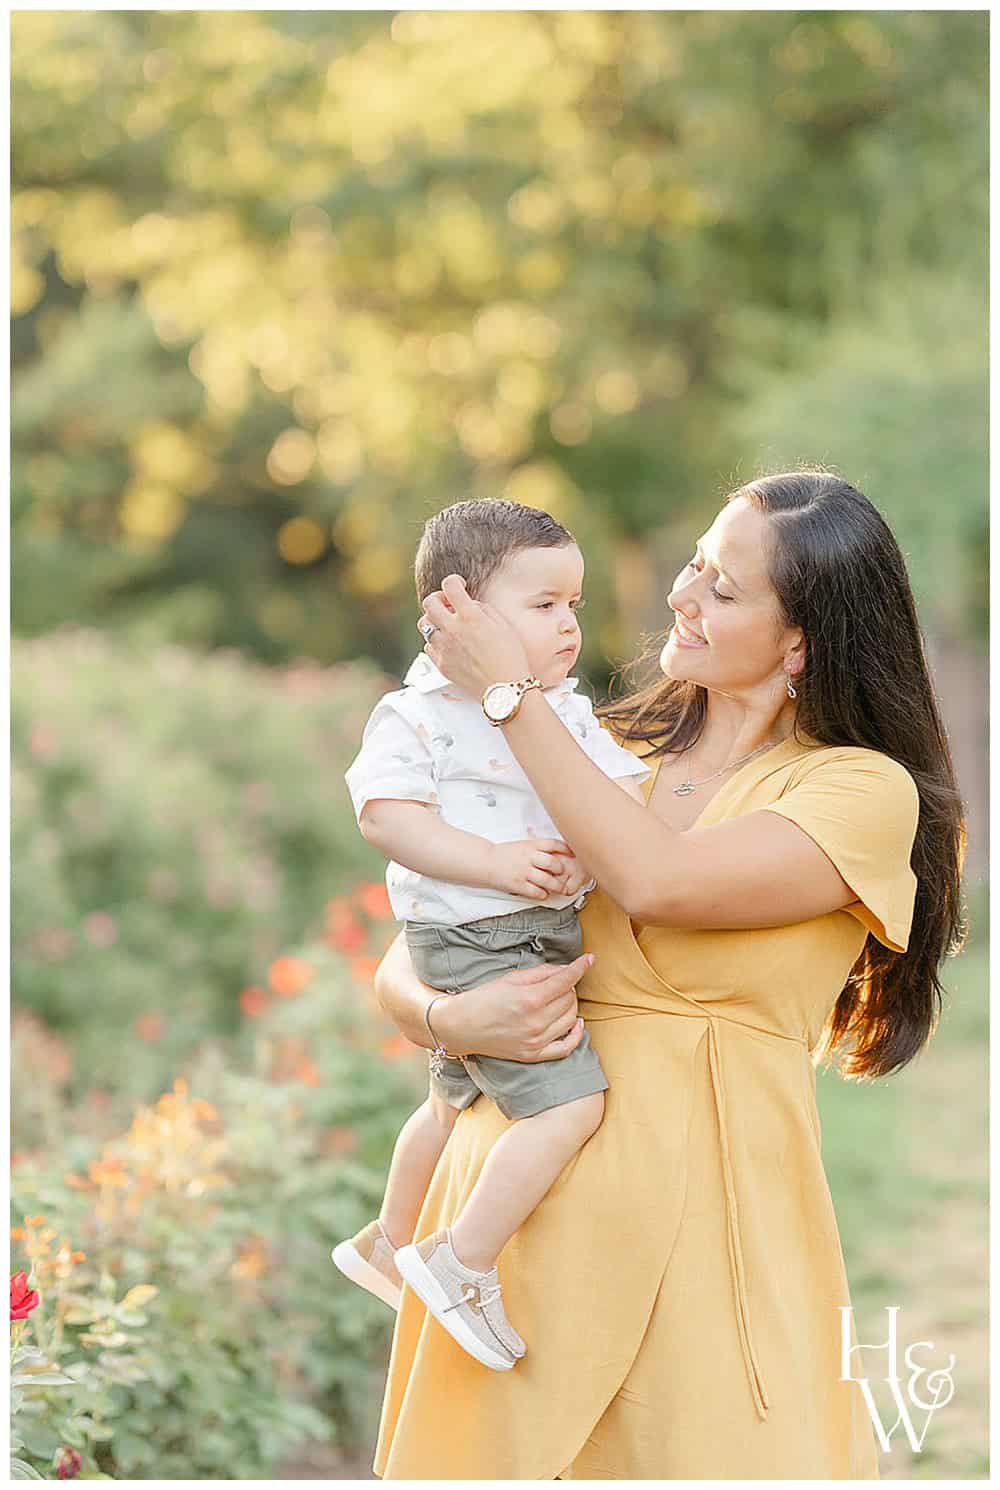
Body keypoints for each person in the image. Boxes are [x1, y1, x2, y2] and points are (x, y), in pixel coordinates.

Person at [365, 470, 967, 1480]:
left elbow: (656, 879)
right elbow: (416, 934)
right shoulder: (602, 749)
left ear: (799, 643)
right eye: (695, 563)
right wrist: (451, 1009)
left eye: (723, 588)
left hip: (712, 1232)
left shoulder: (857, 790)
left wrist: (509, 696)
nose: (683, 595)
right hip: (508, 1233)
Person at [332, 500, 651, 1372]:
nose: (568, 625)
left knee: (448, 1101)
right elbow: (386, 816)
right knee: (573, 1106)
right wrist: (494, 862)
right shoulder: (420, 712)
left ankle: (389, 1243)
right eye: (543, 605)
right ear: (460, 607)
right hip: (482, 934)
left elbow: (625, 805)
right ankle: (460, 1259)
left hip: (524, 932)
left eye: (574, 606)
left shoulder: (564, 711)